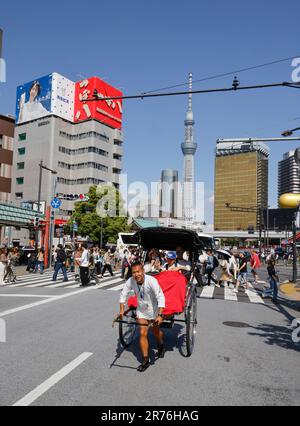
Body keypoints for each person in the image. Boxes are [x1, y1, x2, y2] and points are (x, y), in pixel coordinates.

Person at [118, 261, 166, 372]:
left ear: (143, 271)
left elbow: (161, 297)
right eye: (134, 272)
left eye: (138, 271)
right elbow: (123, 294)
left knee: (155, 332)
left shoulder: (152, 281)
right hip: (141, 310)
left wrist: (160, 315)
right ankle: (145, 360)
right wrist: (121, 310)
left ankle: (161, 344)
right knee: (143, 333)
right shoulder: (131, 281)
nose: (136, 274)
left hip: (154, 310)